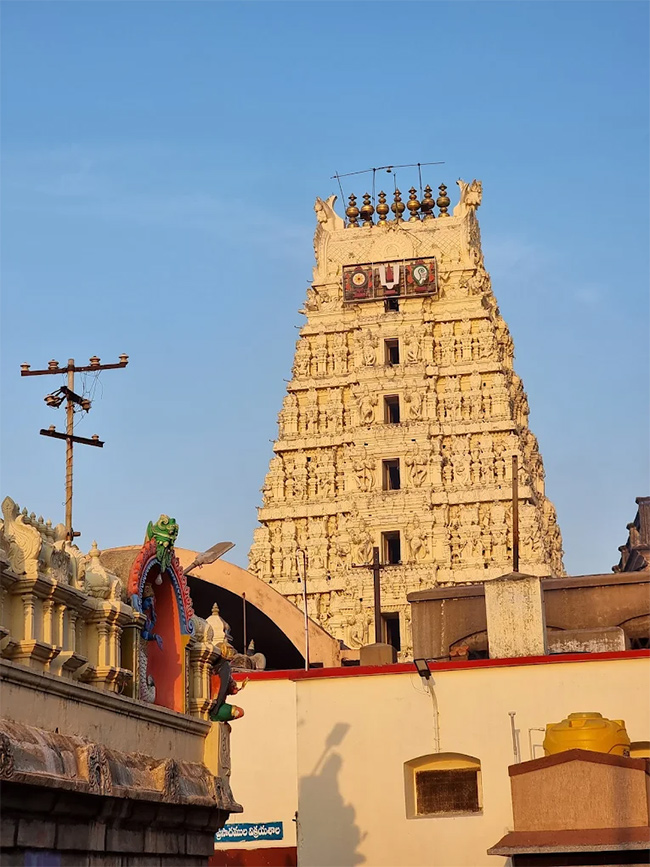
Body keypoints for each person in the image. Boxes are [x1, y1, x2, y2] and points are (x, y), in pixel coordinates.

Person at [208, 643, 247, 722]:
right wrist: (216, 708)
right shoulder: (225, 666)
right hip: (216, 705)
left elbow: (226, 688)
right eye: (230, 650)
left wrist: (233, 689)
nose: (232, 653)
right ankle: (215, 717)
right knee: (240, 712)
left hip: (214, 703)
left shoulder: (218, 666)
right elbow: (223, 688)